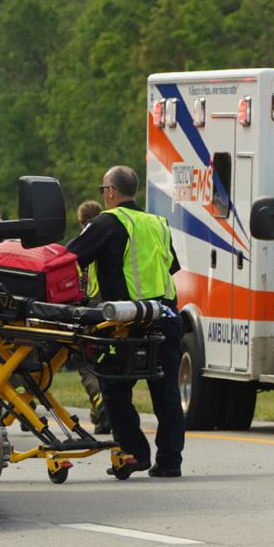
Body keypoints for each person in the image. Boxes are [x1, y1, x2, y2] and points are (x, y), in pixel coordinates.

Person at [66, 166, 185, 478]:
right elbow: (171, 266)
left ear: (110, 192)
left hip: (126, 321)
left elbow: (71, 256)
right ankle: (170, 461)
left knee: (114, 386)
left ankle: (134, 452)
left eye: (103, 189)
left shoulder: (107, 222)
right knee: (167, 391)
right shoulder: (158, 223)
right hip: (166, 316)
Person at [71, 198, 110, 434]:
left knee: (87, 368)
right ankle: (102, 412)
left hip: (86, 315)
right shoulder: (110, 242)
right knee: (107, 366)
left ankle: (101, 408)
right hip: (111, 313)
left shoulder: (79, 247)